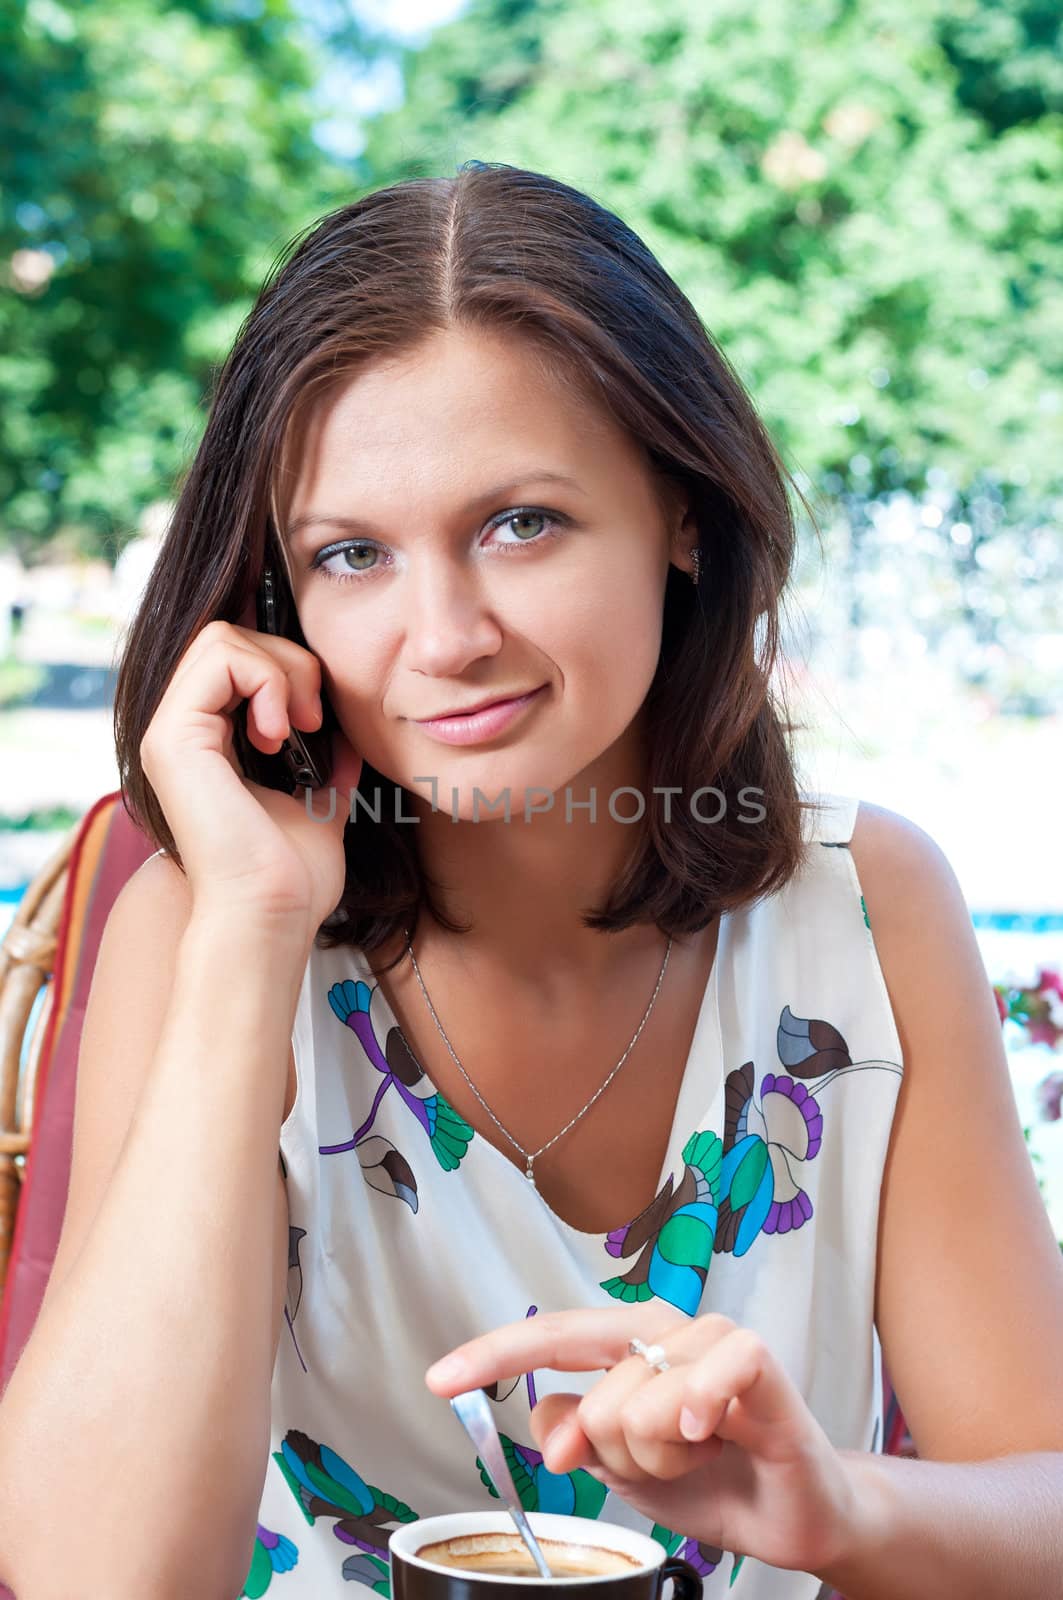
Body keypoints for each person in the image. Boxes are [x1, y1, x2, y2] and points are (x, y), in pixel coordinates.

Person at [0, 161, 1060, 1600]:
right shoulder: (204, 925)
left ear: (684, 514)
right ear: (279, 599)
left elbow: (1041, 1493)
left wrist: (848, 1511)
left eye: (522, 524)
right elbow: (94, 1581)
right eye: (353, 555)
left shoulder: (865, 905)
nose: (444, 637)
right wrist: (253, 928)